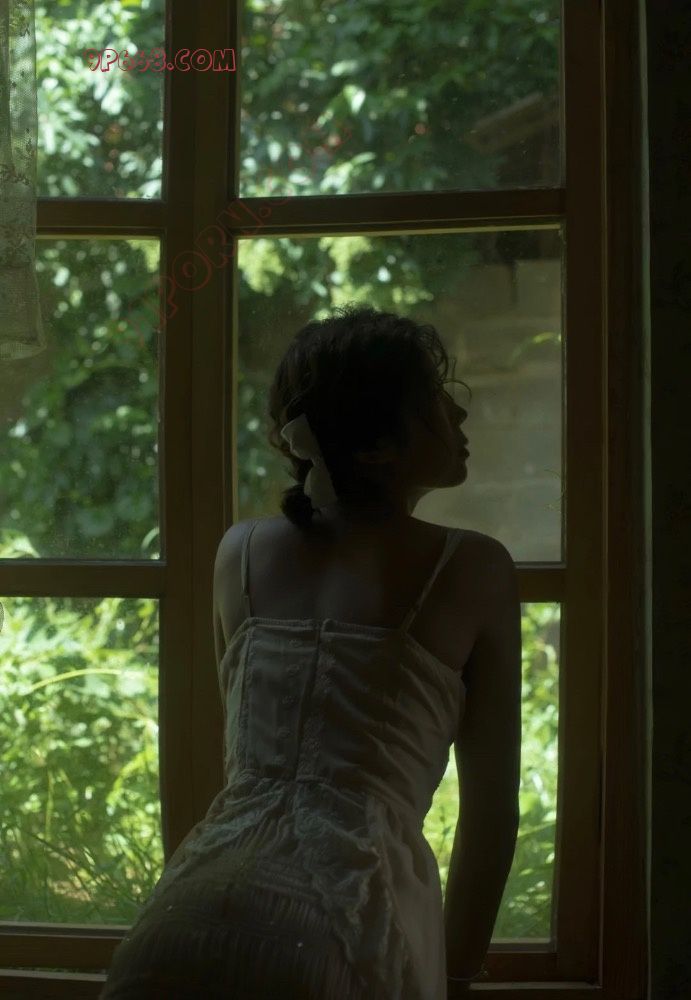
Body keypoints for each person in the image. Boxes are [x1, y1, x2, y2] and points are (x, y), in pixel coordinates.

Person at [100, 304, 521, 998]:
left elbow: (244, 762)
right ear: (376, 448)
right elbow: (491, 813)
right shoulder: (474, 568)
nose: (459, 413)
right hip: (346, 932)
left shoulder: (239, 552)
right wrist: (459, 975)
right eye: (436, 400)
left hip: (187, 916)